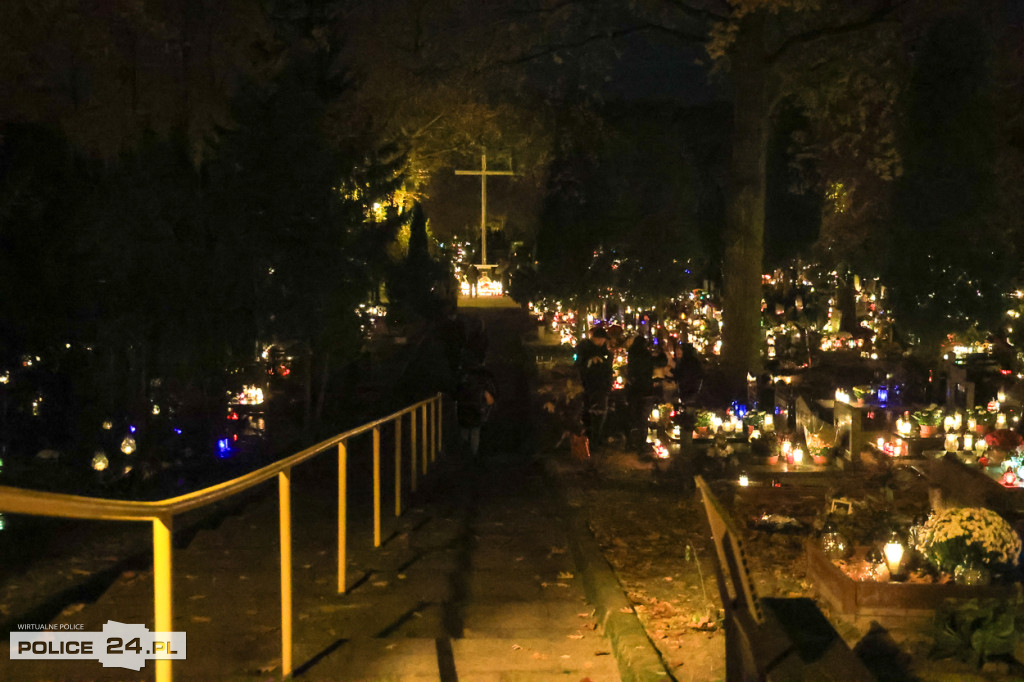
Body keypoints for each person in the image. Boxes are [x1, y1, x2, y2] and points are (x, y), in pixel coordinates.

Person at [575, 326, 613, 447]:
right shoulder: (585, 348)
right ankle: (591, 439)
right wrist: (590, 361)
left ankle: (596, 438)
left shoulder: (603, 349)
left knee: (599, 413)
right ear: (596, 338)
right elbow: (578, 363)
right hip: (592, 386)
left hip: (602, 386)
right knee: (593, 412)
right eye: (602, 339)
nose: (603, 342)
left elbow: (608, 361)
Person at [456, 364, 497, 457]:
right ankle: (473, 456)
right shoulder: (483, 385)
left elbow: (456, 395)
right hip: (476, 411)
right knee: (475, 434)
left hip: (463, 410)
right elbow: (490, 401)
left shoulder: (463, 382)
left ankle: (462, 455)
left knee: (464, 433)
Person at [625, 335, 655, 451]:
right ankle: (641, 442)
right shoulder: (647, 355)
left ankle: (631, 442)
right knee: (643, 418)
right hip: (646, 389)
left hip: (634, 389)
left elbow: (631, 370)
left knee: (632, 416)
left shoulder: (632, 354)